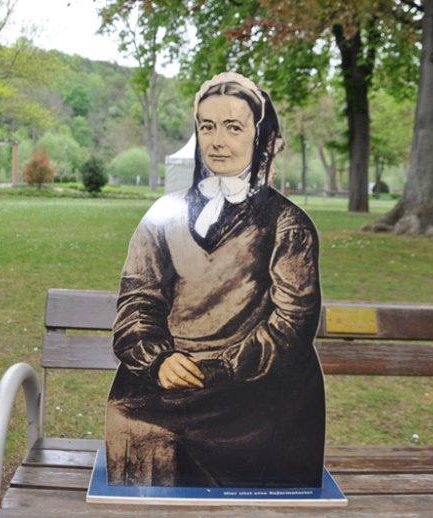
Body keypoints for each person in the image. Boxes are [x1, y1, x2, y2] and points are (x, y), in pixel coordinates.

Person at [105, 72, 325, 488]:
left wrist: (220, 369)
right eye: (207, 127)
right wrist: (158, 360)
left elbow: (292, 324)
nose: (217, 141)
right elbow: (137, 302)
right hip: (169, 379)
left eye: (233, 127)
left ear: (260, 137)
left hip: (252, 389)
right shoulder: (162, 216)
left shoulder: (288, 225)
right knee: (131, 421)